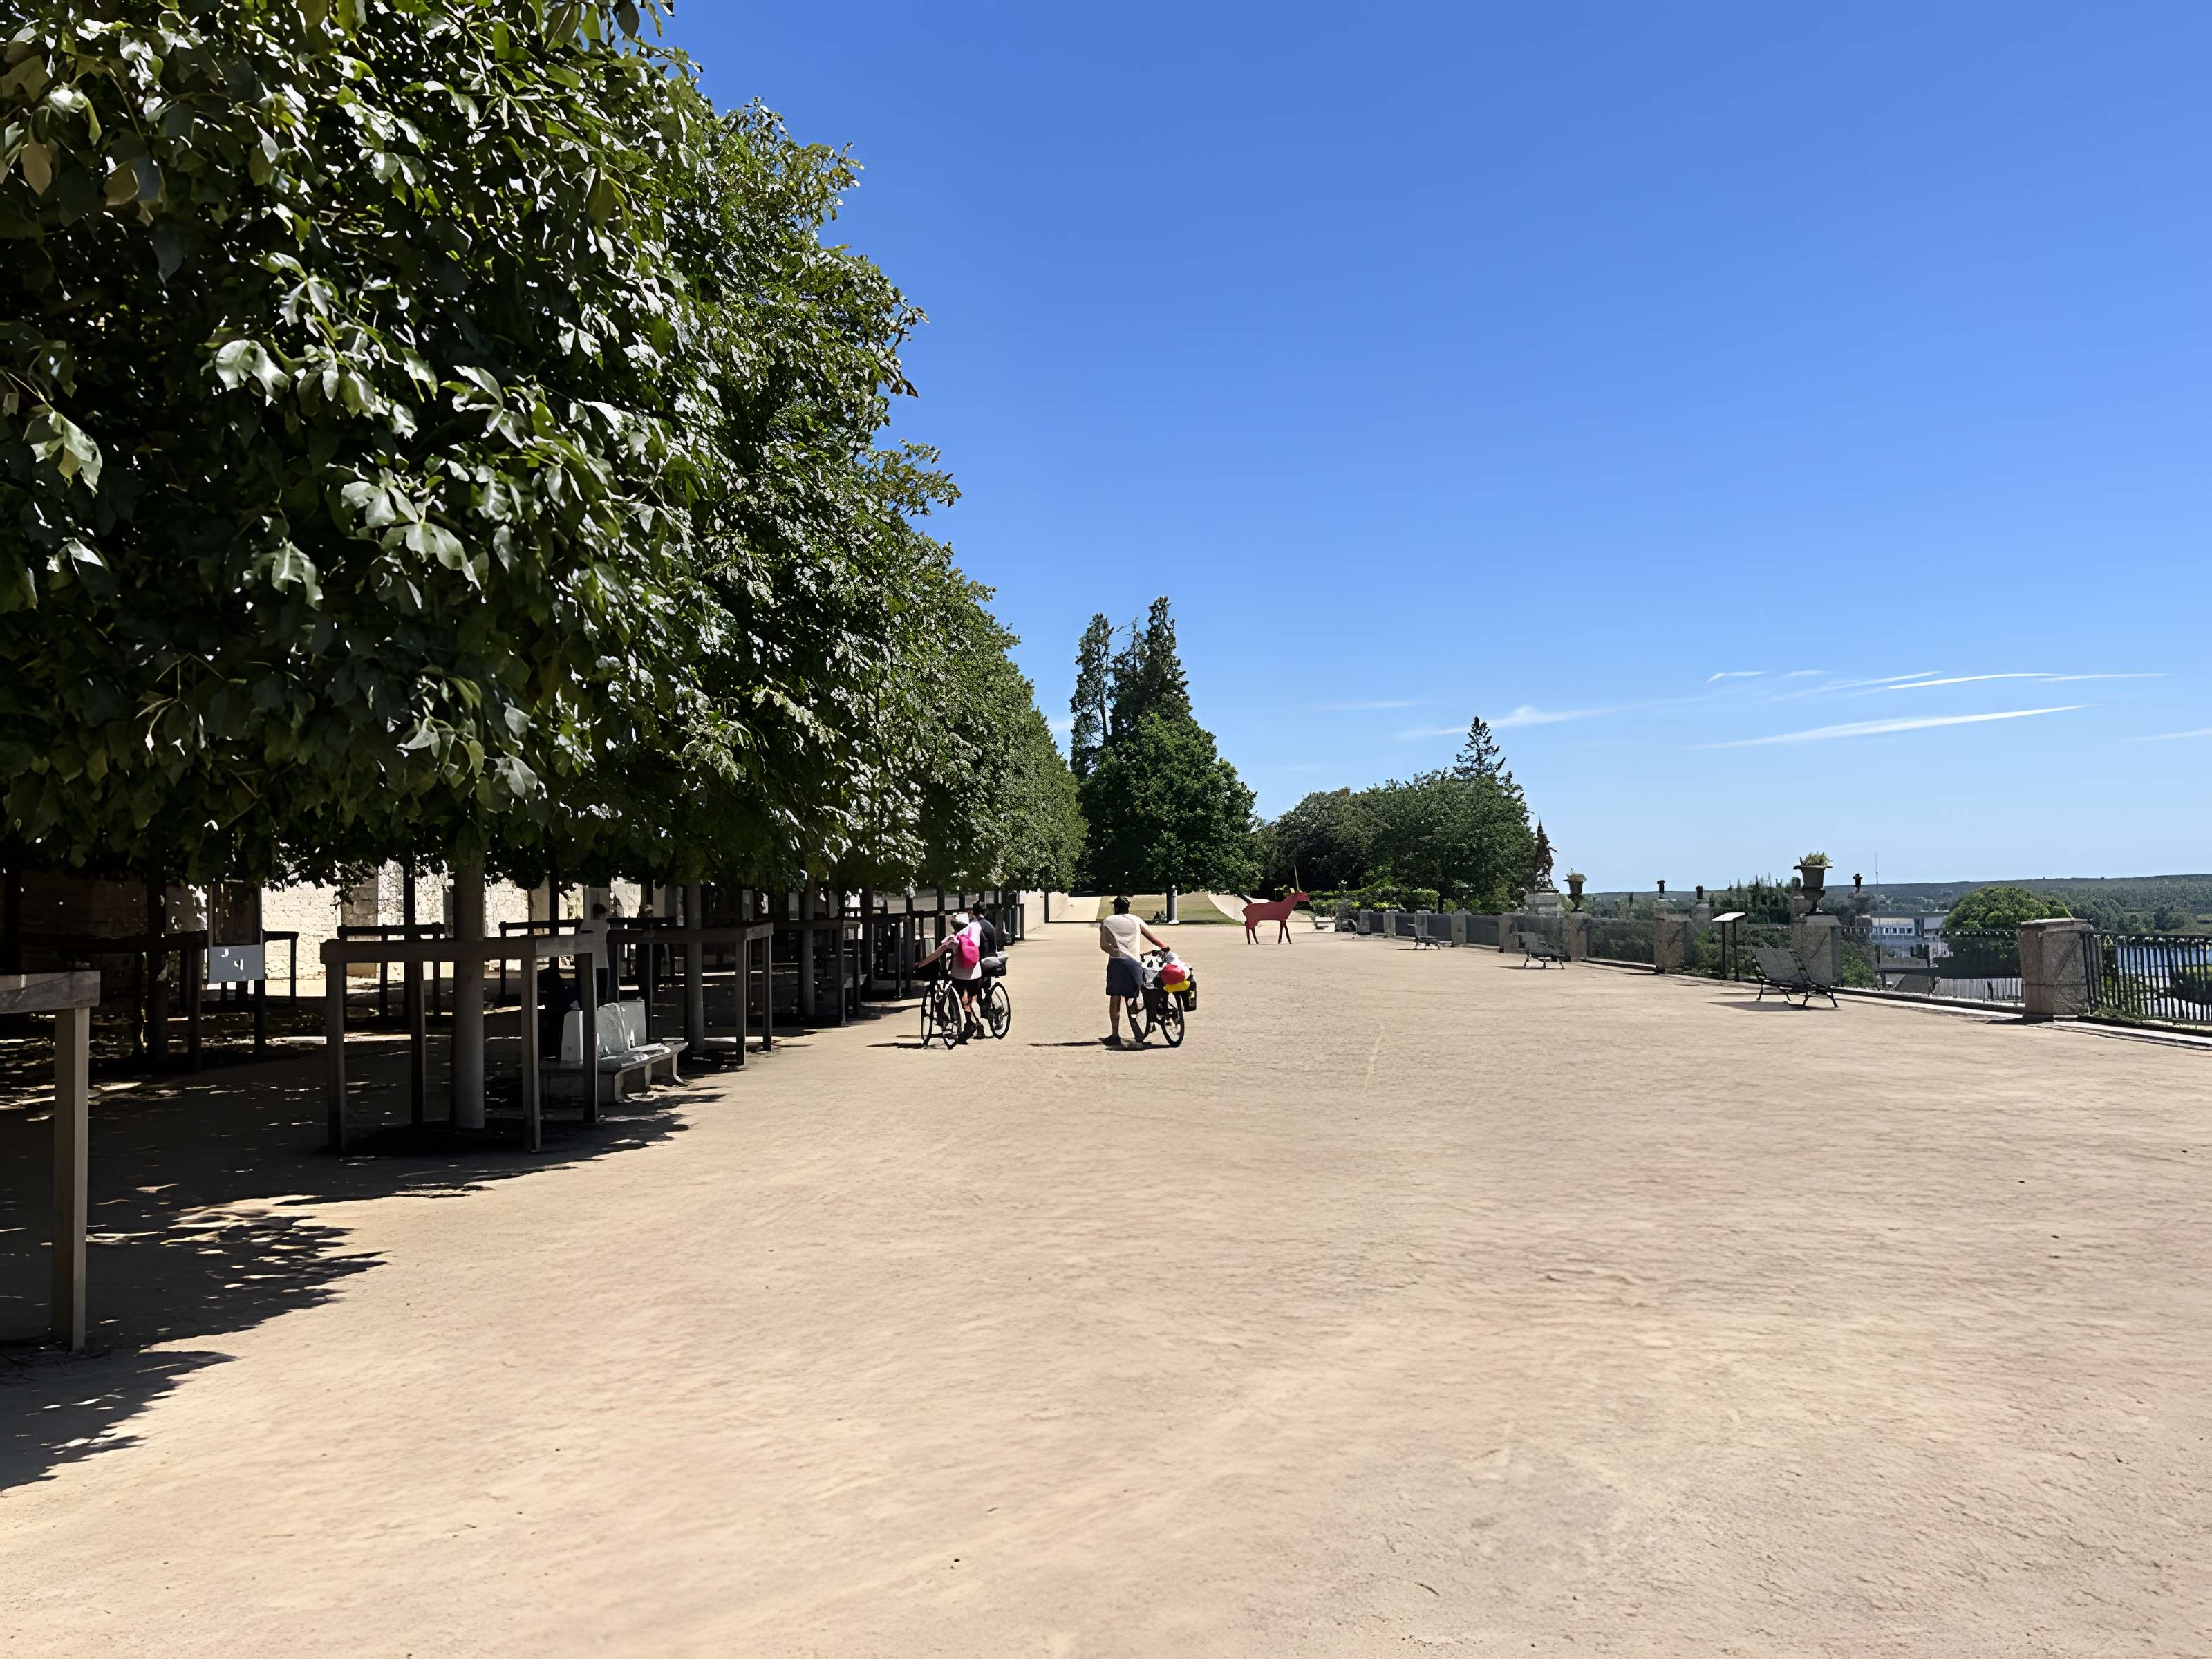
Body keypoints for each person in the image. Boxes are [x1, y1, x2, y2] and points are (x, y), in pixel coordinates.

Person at [1098, 895, 1170, 1047]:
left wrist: (1117, 952)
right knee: (1137, 994)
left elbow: (1104, 945)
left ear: (1116, 908)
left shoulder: (1108, 921)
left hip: (1117, 962)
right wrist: (1164, 947)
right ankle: (1148, 1022)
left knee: (1115, 998)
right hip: (1135, 964)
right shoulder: (1135, 920)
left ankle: (1115, 1034)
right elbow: (1152, 937)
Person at [915, 909, 988, 1042]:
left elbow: (937, 954)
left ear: (955, 926)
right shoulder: (975, 929)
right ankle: (976, 1023)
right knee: (972, 1000)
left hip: (959, 974)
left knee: (959, 999)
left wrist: (920, 964)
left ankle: (966, 1022)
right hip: (976, 971)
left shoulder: (954, 939)